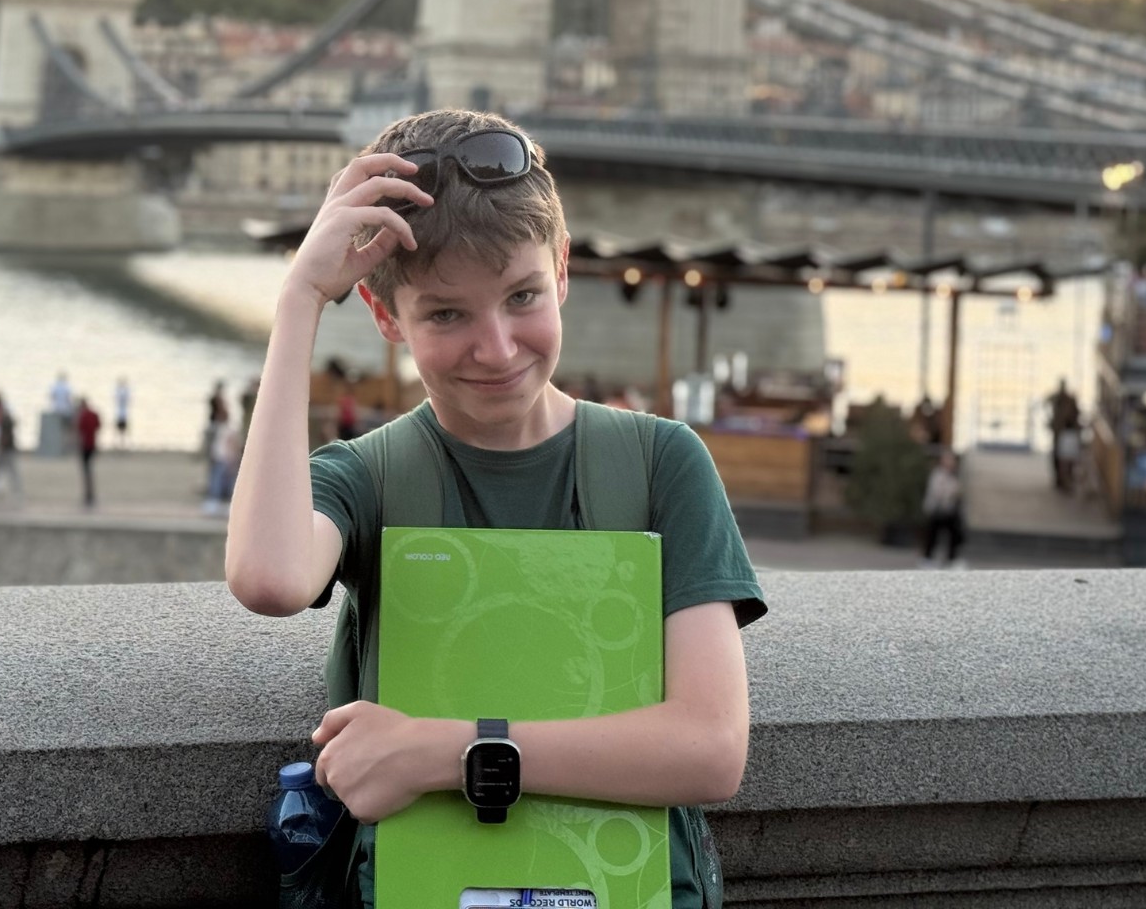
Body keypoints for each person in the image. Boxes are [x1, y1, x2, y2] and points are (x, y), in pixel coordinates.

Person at [224, 109, 764, 909]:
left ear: (563, 271)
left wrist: (446, 753)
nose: (499, 347)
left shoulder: (661, 464)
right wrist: (300, 296)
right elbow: (268, 578)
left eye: (523, 296)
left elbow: (712, 749)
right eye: (447, 313)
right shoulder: (370, 478)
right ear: (386, 315)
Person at [919, 448, 967, 570]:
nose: (950, 462)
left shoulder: (954, 475)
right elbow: (938, 492)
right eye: (947, 459)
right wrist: (952, 492)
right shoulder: (938, 474)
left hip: (949, 511)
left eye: (952, 460)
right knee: (933, 535)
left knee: (953, 535)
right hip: (938, 510)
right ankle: (927, 559)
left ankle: (952, 559)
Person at [1048, 381, 1081, 493]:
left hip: (1067, 435)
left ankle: (1066, 481)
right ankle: (1061, 480)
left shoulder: (1069, 402)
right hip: (1061, 434)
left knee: (1067, 461)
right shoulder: (1057, 400)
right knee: (1060, 460)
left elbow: (1074, 417)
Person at [76, 397, 103, 509]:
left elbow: (79, 430)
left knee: (86, 471)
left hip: (85, 445)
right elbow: (99, 426)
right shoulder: (94, 414)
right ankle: (90, 493)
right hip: (93, 444)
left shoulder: (82, 416)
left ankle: (88, 493)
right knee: (89, 470)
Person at [113, 376, 131, 447]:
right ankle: (120, 443)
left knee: (121, 429)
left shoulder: (121, 392)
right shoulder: (122, 392)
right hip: (121, 414)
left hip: (122, 414)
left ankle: (121, 443)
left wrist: (122, 386)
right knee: (120, 429)